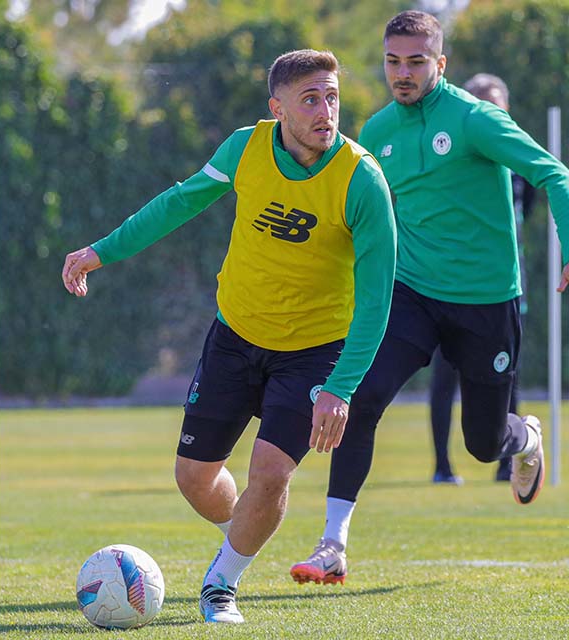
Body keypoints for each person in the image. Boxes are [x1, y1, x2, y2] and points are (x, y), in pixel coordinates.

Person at [62, 50, 396, 623]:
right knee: (193, 478)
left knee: (270, 473)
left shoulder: (361, 180)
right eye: (310, 99)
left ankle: (222, 584)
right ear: (277, 107)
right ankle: (243, 531)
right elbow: (178, 203)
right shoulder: (245, 147)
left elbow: (377, 300)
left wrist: (340, 388)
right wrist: (101, 251)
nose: (326, 111)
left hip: (315, 353)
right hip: (235, 336)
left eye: (333, 97)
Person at [290, 10, 569, 588]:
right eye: (393, 61)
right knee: (359, 398)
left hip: (486, 302)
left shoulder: (474, 120)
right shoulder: (377, 131)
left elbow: (554, 175)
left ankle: (526, 437)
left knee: (483, 443)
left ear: (440, 64)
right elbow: (362, 217)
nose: (403, 72)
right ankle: (332, 546)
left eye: (416, 61)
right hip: (411, 292)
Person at [426, 73, 530, 486]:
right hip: (444, 286)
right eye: (481, 102)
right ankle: (441, 465)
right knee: (444, 376)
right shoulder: (453, 156)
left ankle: (509, 458)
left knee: (506, 375)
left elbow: (528, 212)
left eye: (496, 103)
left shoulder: (517, 162)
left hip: (501, 288)